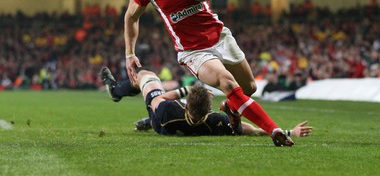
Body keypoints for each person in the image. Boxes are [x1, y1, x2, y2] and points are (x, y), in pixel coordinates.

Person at [123, 0, 300, 146]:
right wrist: (130, 53)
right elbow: (131, 17)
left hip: (220, 38)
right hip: (193, 51)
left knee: (249, 88)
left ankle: (230, 109)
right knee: (227, 82)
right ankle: (274, 130)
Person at [100, 67, 313, 140]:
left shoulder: (168, 109)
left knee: (146, 76)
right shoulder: (214, 121)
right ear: (207, 111)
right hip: (172, 123)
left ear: (187, 105)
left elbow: (160, 99)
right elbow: (252, 130)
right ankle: (145, 118)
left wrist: (185, 90)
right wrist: (289, 132)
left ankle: (116, 92)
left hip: (161, 120)